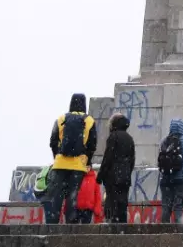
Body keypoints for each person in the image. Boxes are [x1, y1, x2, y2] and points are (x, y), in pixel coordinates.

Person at [47, 93, 96, 224]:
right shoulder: (89, 120)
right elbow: (92, 145)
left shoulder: (61, 118)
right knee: (72, 195)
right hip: (78, 165)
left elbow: (53, 141)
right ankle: (70, 224)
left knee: (56, 196)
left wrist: (57, 156)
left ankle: (52, 224)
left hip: (60, 164)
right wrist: (87, 161)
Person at [96, 113, 136, 224]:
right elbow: (132, 160)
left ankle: (112, 228)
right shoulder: (129, 138)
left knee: (111, 202)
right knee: (122, 203)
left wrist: (100, 176)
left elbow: (107, 158)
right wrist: (127, 172)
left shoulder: (113, 136)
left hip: (112, 177)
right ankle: (122, 228)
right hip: (125, 177)